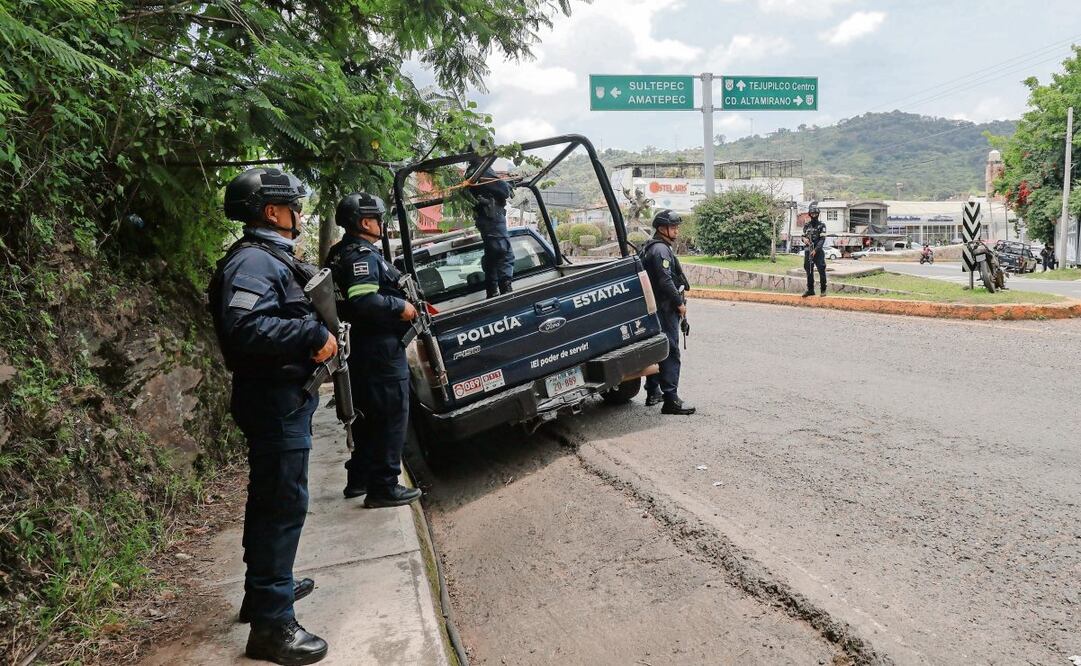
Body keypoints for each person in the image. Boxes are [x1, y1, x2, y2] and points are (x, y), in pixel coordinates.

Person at [209, 168, 332, 665]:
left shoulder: (269, 257)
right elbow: (245, 329)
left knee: (271, 500)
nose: (299, 213)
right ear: (271, 211)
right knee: (281, 506)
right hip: (274, 402)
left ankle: (264, 592)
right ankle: (272, 626)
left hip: (281, 399)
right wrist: (311, 335)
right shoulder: (254, 261)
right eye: (292, 206)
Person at [325, 192, 423, 508]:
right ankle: (384, 486)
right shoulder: (362, 256)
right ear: (365, 222)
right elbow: (364, 301)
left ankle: (360, 478)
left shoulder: (338, 253)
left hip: (359, 349)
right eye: (378, 218)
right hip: (378, 349)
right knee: (391, 416)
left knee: (367, 417)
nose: (382, 223)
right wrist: (401, 306)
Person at [641, 210, 695, 416]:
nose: (676, 231)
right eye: (673, 227)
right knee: (670, 351)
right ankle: (671, 400)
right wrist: (679, 304)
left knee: (657, 349)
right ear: (662, 229)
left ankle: (653, 392)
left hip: (655, 307)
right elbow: (665, 281)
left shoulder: (652, 247)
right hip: (664, 308)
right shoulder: (661, 250)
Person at [467, 158, 515, 297]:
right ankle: (505, 293)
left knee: (492, 256)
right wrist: (508, 185)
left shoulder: (472, 171)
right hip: (492, 218)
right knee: (504, 253)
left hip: (487, 220)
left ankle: (492, 291)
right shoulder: (482, 169)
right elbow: (503, 190)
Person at [803, 201, 828, 297]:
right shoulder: (807, 225)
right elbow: (803, 236)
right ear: (810, 214)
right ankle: (810, 290)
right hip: (808, 251)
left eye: (816, 214)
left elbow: (822, 239)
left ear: (818, 214)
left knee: (821, 270)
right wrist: (804, 239)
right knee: (809, 270)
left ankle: (823, 290)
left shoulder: (822, 225)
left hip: (818, 251)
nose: (814, 215)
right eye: (812, 214)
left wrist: (816, 250)